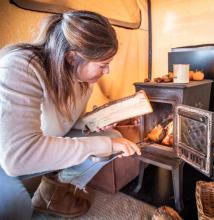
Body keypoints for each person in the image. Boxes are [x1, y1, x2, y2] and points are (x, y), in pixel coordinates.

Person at [0, 10, 141, 219]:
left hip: (42, 142)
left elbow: (65, 123)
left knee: (112, 138)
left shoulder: (82, 78)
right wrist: (104, 145)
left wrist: (92, 123)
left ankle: (52, 192)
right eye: (102, 65)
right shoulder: (22, 66)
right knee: (15, 209)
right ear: (72, 57)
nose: (107, 71)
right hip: (7, 156)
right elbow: (17, 158)